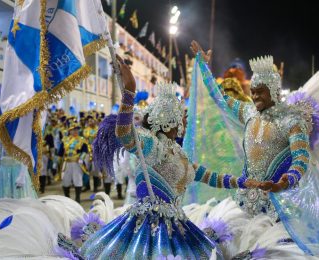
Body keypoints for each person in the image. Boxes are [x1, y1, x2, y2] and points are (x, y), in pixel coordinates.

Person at [189, 41, 319, 259]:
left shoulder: (291, 120)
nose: (254, 97)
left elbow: (300, 159)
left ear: (272, 91)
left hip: (279, 207)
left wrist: (284, 181)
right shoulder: (248, 112)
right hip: (244, 201)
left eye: (259, 92)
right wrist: (204, 68)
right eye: (252, 92)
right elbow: (220, 98)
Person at [56, 56, 263, 259]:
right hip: (144, 229)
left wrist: (243, 182)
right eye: (180, 114)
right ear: (167, 120)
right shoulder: (151, 144)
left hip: (177, 226)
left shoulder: (178, 152)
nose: (184, 117)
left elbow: (209, 176)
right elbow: (124, 134)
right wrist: (129, 93)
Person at [58, 122, 89, 203]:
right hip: (67, 162)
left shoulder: (82, 140)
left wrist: (81, 159)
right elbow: (60, 152)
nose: (75, 131)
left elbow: (85, 151)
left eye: (76, 130)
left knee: (77, 179)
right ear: (70, 131)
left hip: (77, 162)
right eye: (73, 130)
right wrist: (59, 161)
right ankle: (67, 197)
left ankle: (77, 198)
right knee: (65, 179)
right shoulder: (65, 140)